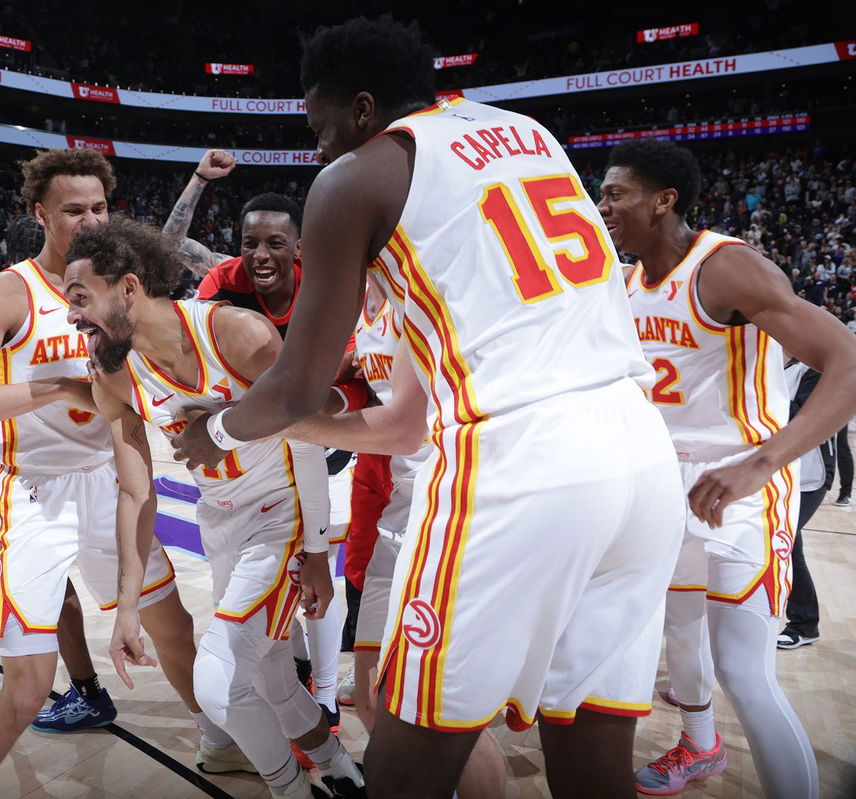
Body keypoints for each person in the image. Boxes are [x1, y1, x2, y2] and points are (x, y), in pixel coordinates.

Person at [173, 17, 685, 798]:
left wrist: (218, 429)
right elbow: (405, 420)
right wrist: (292, 421)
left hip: (518, 461)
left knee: (407, 743)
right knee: (590, 749)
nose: (317, 151)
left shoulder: (357, 177)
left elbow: (299, 382)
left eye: (320, 128)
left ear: (364, 110)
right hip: (642, 457)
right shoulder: (526, 132)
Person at [0, 149, 246, 799]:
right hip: (33, 488)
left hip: (109, 475)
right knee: (29, 682)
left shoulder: (120, 284)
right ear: (41, 213)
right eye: (74, 209)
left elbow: (140, 393)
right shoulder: (7, 292)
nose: (90, 220)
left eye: (100, 207)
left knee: (173, 624)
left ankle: (218, 741)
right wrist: (53, 389)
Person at [65, 216, 365, 799]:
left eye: (80, 298)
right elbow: (136, 492)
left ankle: (289, 789)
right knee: (274, 671)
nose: (73, 315)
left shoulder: (236, 334)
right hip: (220, 523)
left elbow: (306, 438)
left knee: (217, 682)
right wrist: (127, 608)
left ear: (128, 288)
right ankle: (340, 770)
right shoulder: (113, 376)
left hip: (280, 516)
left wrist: (314, 550)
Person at [604, 139, 856, 799]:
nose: (602, 206)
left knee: (745, 671)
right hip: (665, 491)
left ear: (664, 201)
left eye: (615, 193)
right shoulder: (623, 281)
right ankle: (699, 744)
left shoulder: (727, 267)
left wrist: (760, 463)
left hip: (742, 490)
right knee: (681, 640)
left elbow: (847, 360)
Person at [778, 358, 835, 650]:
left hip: (809, 478)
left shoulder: (810, 373)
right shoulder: (762, 364)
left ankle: (804, 623)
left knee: (786, 545)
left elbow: (807, 422)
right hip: (773, 474)